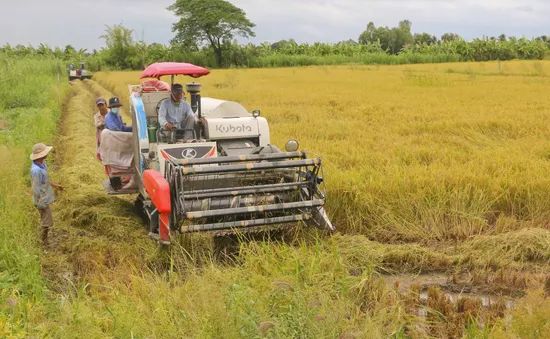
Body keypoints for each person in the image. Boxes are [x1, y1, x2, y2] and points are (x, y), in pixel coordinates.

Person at [30, 143, 65, 244]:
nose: (47, 153)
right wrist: (40, 203)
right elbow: (35, 188)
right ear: (40, 155)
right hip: (41, 200)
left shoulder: (43, 164)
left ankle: (44, 239)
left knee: (46, 219)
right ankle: (43, 241)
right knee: (47, 220)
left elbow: (46, 180)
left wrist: (56, 186)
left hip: (45, 197)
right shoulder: (36, 171)